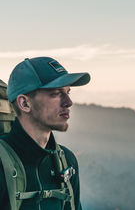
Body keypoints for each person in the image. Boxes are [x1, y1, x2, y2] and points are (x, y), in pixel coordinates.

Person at [0, 56, 90, 210]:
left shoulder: (67, 162)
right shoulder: (2, 165)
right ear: (25, 103)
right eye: (56, 93)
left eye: (68, 92)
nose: (69, 102)